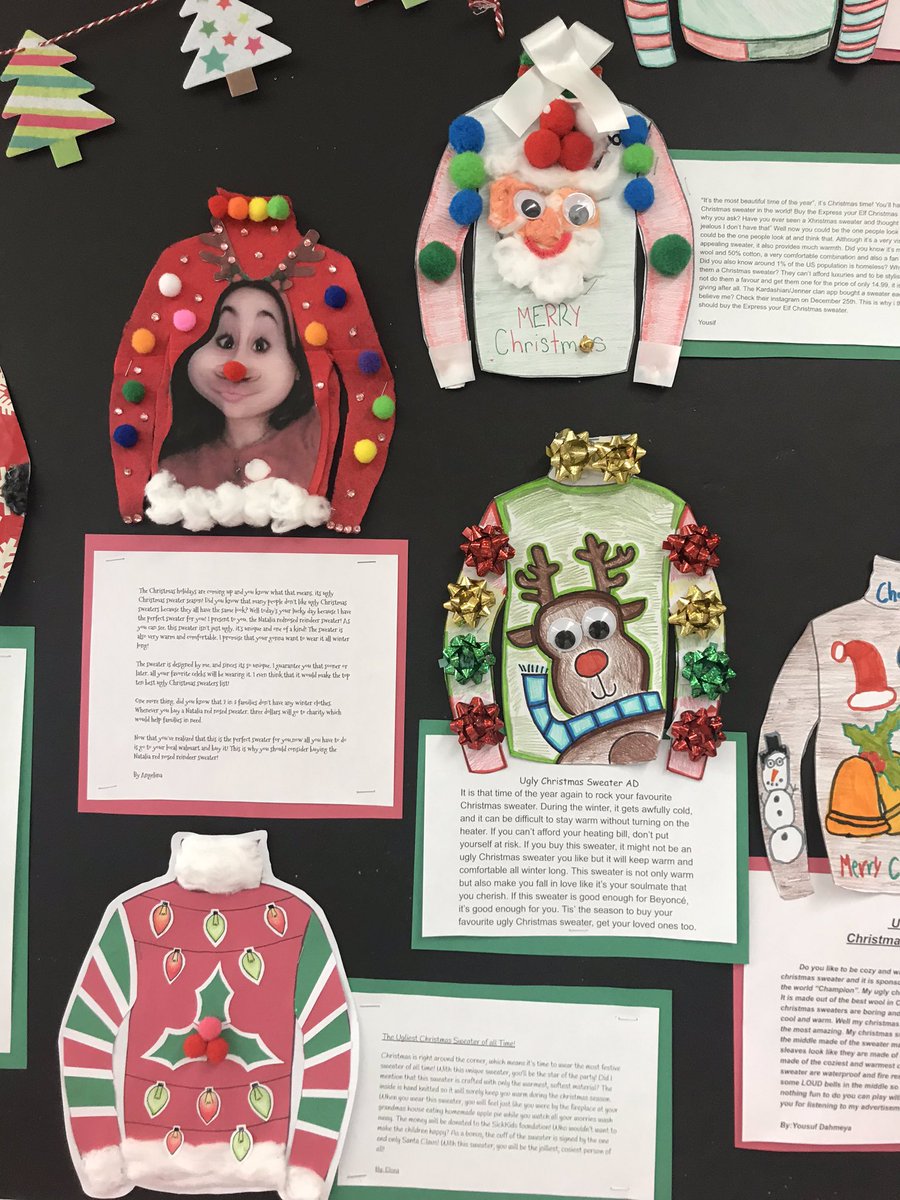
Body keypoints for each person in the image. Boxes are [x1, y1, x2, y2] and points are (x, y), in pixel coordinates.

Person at [159, 280, 319, 490]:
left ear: (297, 363)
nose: (235, 368)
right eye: (225, 342)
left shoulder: (316, 439)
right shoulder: (172, 471)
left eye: (261, 346)